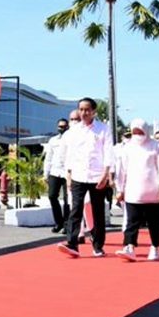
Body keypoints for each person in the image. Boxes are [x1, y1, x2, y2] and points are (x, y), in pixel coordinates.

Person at [57, 97, 113, 258]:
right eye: (81, 109)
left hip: (97, 176)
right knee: (75, 210)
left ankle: (98, 245)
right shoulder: (72, 131)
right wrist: (68, 173)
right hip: (78, 175)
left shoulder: (103, 129)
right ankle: (73, 243)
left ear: (94, 111)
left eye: (87, 110)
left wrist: (106, 174)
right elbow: (67, 154)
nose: (84, 113)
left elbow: (109, 152)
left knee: (97, 211)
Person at [114, 119, 159, 261]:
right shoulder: (126, 147)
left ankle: (155, 247)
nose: (138, 134)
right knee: (131, 221)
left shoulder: (156, 146)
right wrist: (120, 189)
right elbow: (121, 171)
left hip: (153, 191)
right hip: (133, 191)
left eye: (140, 131)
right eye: (135, 131)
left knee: (154, 222)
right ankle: (129, 247)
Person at [44, 116, 73, 233]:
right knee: (52, 196)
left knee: (67, 200)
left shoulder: (72, 139)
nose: (62, 128)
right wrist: (46, 173)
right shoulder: (53, 140)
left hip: (67, 172)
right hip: (55, 172)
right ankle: (59, 222)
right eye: (60, 127)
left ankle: (66, 225)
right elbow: (48, 158)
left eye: (64, 127)